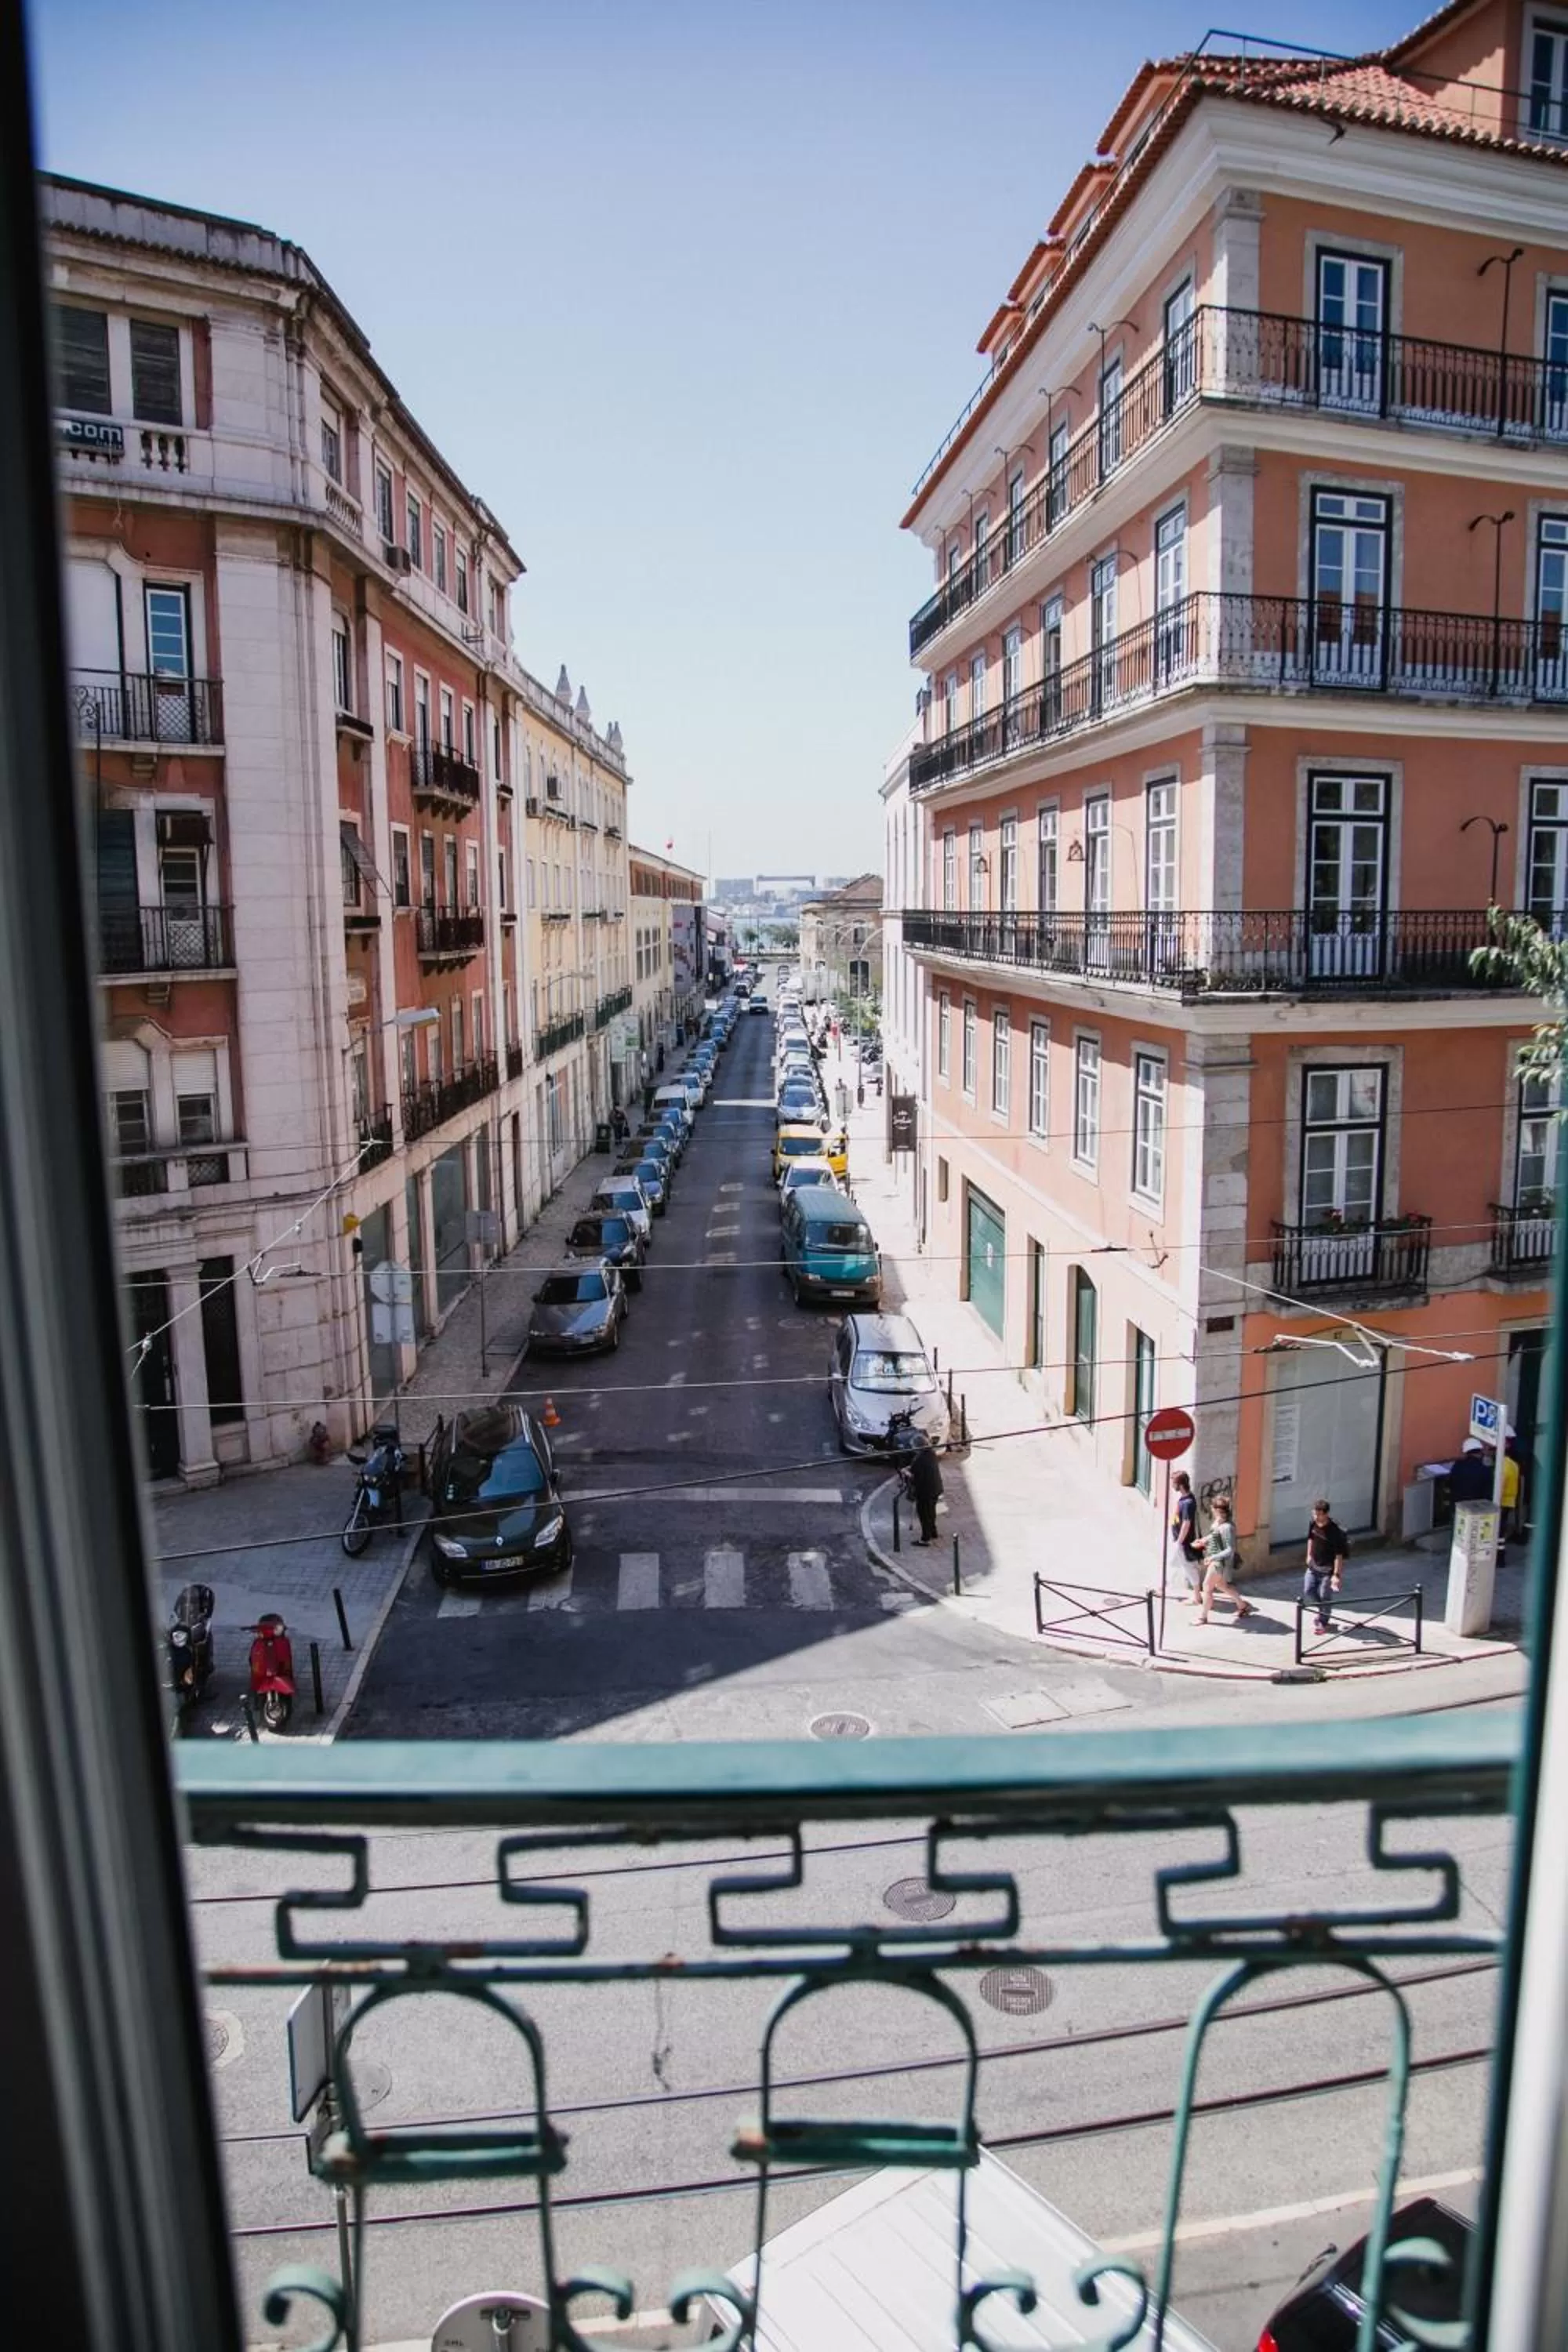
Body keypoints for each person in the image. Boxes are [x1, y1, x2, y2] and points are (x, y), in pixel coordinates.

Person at [1198, 1496, 1254, 1624]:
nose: (1211, 1508)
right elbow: (1214, 1535)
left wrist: (1212, 1557)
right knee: (1222, 1585)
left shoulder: (1227, 1527)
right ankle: (1242, 1606)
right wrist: (1203, 1540)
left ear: (1218, 1510)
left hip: (1219, 1563)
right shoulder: (1219, 1522)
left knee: (1207, 1587)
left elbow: (1230, 1550)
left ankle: (1203, 1617)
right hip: (1216, 1561)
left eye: (1213, 1507)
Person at [1302, 1497, 1349, 1635]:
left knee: (1324, 1596)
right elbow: (1310, 1539)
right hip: (1313, 1566)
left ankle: (1323, 1621)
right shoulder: (1313, 1523)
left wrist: (1336, 1575)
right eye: (1315, 1514)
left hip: (1327, 1571)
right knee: (1309, 1591)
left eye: (1319, 1514)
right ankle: (1324, 1609)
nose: (1316, 1517)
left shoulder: (1335, 1532)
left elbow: (1339, 1556)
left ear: (1326, 1514)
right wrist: (1308, 1555)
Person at [1169, 1471, 1203, 1598]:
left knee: (1189, 1567)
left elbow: (1186, 1523)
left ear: (1181, 1485)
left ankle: (1197, 1596)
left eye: (1174, 1483)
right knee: (1173, 1564)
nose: (1172, 1486)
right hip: (1179, 1540)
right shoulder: (1185, 1499)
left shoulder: (1188, 1503)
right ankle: (1163, 1587)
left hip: (1183, 1542)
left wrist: (1179, 1542)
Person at [908, 1431, 944, 1545]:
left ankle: (925, 1539)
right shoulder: (931, 1453)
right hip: (936, 1488)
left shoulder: (918, 1460)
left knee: (924, 1514)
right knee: (931, 1511)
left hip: (925, 1492)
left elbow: (915, 1477)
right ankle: (933, 1532)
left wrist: (906, 1472)